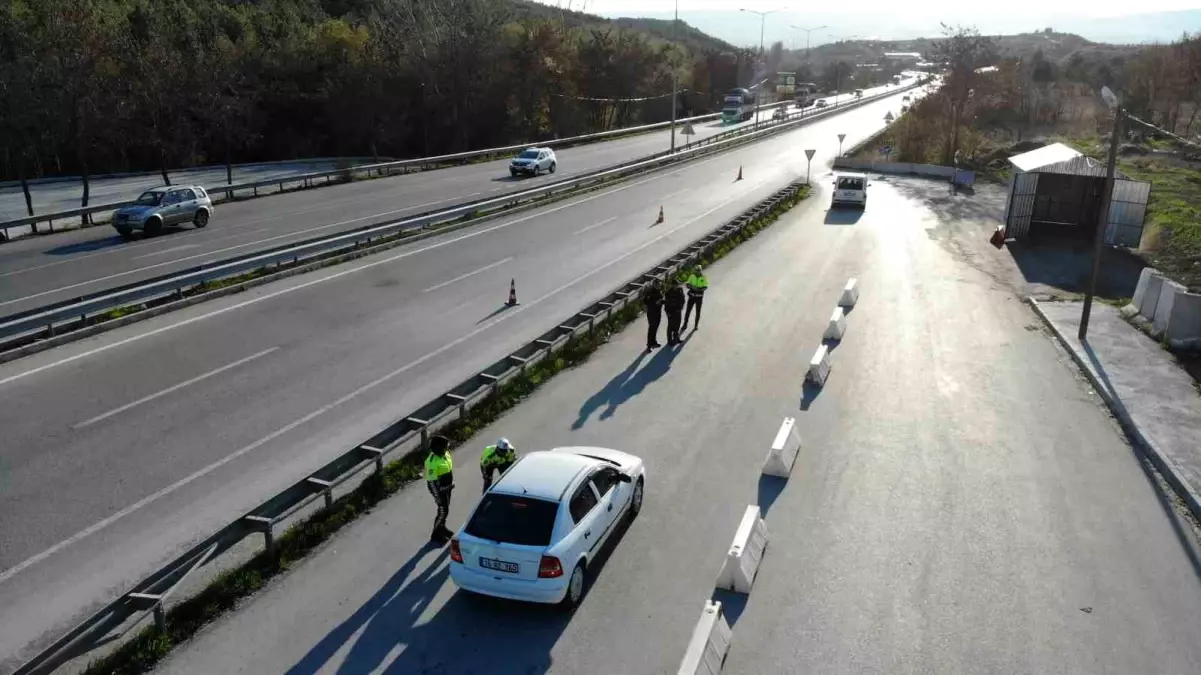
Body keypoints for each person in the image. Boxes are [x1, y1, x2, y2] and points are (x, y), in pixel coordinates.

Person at [425, 434, 455, 545]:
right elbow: (432, 482)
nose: (447, 448)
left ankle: (442, 527)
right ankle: (435, 534)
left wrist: (449, 486)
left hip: (448, 487)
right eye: (445, 446)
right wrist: (437, 495)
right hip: (439, 489)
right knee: (443, 511)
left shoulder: (445, 454)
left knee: (445, 510)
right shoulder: (432, 462)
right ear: (439, 448)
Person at [684, 265, 709, 330]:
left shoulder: (703, 277)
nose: (698, 271)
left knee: (698, 312)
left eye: (699, 270)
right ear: (695, 270)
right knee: (688, 311)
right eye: (697, 270)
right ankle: (685, 324)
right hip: (692, 297)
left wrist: (700, 289)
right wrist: (692, 287)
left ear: (701, 270)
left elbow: (706, 286)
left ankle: (696, 325)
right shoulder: (692, 276)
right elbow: (687, 284)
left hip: (699, 298)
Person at [663, 277, 686, 345]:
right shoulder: (668, 292)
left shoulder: (680, 290)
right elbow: (666, 303)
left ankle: (676, 339)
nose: (676, 286)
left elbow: (683, 298)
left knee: (677, 325)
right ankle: (669, 341)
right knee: (670, 327)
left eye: (677, 284)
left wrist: (682, 306)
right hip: (671, 311)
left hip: (678, 311)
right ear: (672, 285)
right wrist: (667, 312)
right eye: (675, 284)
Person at [643, 280, 663, 350]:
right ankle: (649, 345)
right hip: (652, 313)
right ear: (654, 285)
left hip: (658, 312)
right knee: (651, 328)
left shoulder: (659, 291)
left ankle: (654, 342)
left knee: (655, 328)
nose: (660, 286)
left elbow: (661, 299)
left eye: (660, 285)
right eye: (658, 285)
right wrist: (655, 303)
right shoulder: (650, 292)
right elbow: (646, 302)